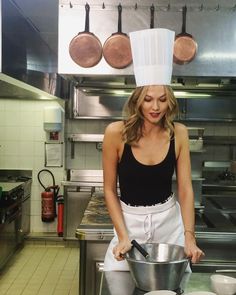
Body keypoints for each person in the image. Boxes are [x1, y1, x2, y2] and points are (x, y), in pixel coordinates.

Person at [102, 28, 205, 271]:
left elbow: (186, 188)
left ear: (169, 99)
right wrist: (123, 235)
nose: (155, 107)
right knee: (118, 279)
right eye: (148, 99)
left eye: (162, 99)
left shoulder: (178, 133)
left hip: (169, 225)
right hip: (129, 225)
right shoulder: (115, 133)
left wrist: (189, 236)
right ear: (137, 99)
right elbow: (108, 189)